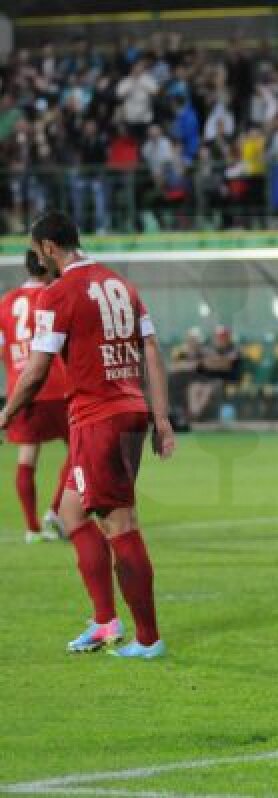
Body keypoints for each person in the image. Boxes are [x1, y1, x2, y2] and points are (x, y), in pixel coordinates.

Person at [0, 210, 175, 658]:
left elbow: (36, 371)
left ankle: (149, 640)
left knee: (120, 524)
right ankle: (104, 622)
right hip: (126, 412)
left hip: (100, 418)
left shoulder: (59, 294)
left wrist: (6, 415)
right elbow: (150, 348)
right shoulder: (120, 285)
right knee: (72, 513)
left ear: (47, 249)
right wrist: (161, 417)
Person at [0, 248, 71, 543]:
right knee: (80, 451)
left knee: (27, 456)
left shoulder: (6, 303)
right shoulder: (55, 294)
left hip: (22, 390)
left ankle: (32, 529)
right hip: (56, 386)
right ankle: (55, 512)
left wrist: (16, 370)